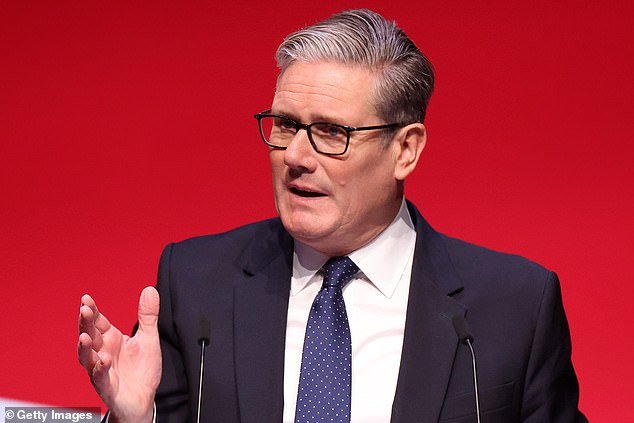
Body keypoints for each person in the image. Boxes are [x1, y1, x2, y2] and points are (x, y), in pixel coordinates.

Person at [78, 9, 587, 423]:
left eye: (330, 132)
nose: (296, 156)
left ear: (405, 150)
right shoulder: (196, 284)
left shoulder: (515, 308)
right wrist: (134, 420)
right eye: (285, 124)